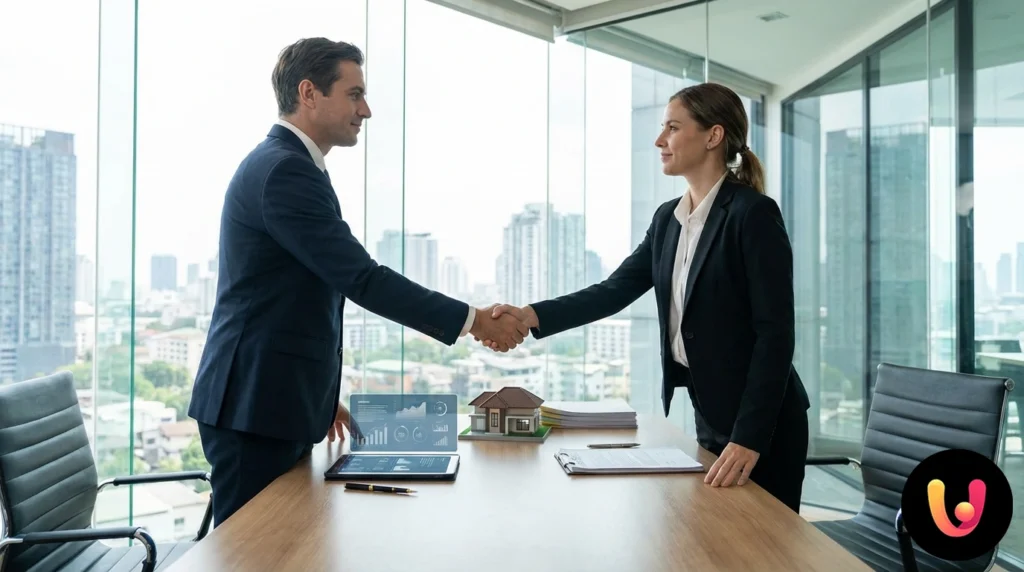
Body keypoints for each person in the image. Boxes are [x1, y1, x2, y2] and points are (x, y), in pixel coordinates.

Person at [188, 38, 528, 526]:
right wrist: (474, 321)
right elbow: (361, 278)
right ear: (309, 93)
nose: (365, 110)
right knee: (254, 554)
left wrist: (321, 397)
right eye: (354, 94)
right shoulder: (284, 170)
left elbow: (294, 300)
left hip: (269, 402)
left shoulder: (290, 165)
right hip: (253, 407)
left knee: (285, 547)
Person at [481, 83, 810, 513]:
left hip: (764, 425)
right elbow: (613, 291)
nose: (660, 140)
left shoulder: (752, 214)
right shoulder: (668, 219)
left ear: (713, 136)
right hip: (711, 415)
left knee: (767, 550)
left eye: (673, 128)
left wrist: (749, 437)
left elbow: (776, 335)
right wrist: (530, 315)